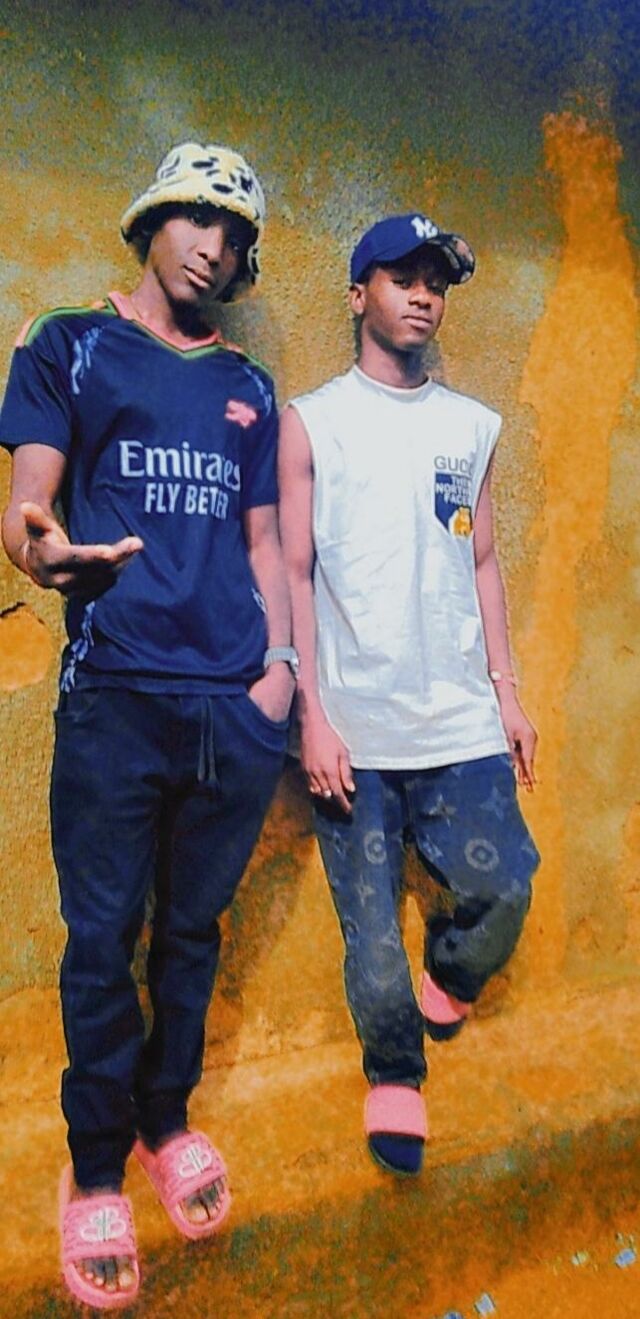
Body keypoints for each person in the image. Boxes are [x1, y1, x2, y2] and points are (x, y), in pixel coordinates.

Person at [0, 141, 298, 1309]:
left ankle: (163, 1118)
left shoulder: (250, 387)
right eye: (195, 217)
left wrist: (277, 675)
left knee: (191, 930)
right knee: (102, 936)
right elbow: (29, 505)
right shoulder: (68, 343)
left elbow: (266, 543)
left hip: (232, 703)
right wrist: (41, 549)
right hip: (116, 694)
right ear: (151, 221)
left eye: (234, 233)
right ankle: (93, 1163)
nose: (212, 246)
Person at [279, 213, 540, 1179]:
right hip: (352, 731)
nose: (423, 294)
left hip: (460, 722)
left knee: (505, 885)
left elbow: (483, 560)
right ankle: (394, 1072)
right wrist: (311, 715)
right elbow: (291, 571)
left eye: (436, 280)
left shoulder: (471, 427)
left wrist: (507, 693)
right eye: (402, 277)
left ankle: (454, 972)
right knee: (373, 938)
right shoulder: (313, 421)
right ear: (360, 295)